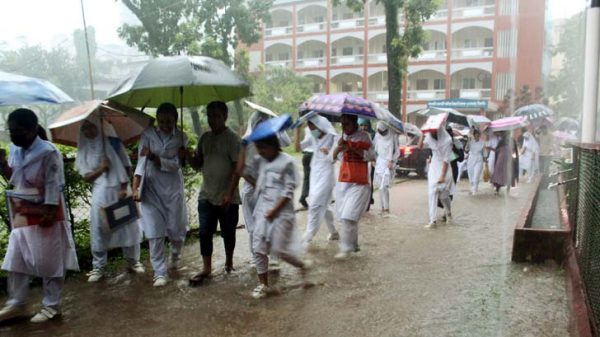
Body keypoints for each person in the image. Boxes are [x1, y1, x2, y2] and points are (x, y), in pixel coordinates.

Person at [0, 109, 79, 323]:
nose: (15, 135)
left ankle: (51, 306)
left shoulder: (48, 152)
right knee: (16, 259)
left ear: (34, 129)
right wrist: (3, 165)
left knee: (49, 261)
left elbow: (54, 184)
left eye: (20, 131)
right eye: (12, 131)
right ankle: (17, 303)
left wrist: (49, 211)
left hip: (46, 212)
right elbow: (16, 179)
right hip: (23, 212)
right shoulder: (16, 150)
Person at [76, 117, 144, 283]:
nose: (88, 131)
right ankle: (98, 266)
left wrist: (123, 187)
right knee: (100, 228)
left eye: (91, 127)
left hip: (120, 190)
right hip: (100, 191)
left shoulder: (112, 142)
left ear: (99, 127)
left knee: (128, 225)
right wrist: (101, 169)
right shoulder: (83, 149)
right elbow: (86, 177)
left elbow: (126, 165)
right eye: (84, 128)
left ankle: (133, 261)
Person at [132, 102, 188, 287]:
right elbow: (141, 161)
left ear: (175, 120)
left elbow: (176, 165)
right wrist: (135, 186)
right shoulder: (148, 135)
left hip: (172, 189)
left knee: (175, 229)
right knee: (154, 232)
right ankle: (160, 272)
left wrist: (157, 158)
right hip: (151, 188)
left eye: (169, 121)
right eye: (162, 121)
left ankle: (175, 251)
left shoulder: (182, 138)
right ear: (157, 120)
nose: (165, 125)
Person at [249, 133, 310, 299]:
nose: (260, 151)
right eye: (258, 147)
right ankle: (263, 285)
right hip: (263, 210)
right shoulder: (260, 161)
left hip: (282, 213)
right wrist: (242, 148)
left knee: (279, 250)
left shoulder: (287, 162)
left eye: (263, 147)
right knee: (258, 248)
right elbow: (242, 171)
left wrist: (275, 210)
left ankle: (302, 265)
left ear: (274, 145)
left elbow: (289, 191)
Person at [187, 101, 241, 285]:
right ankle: (206, 268)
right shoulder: (204, 138)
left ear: (225, 116)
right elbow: (197, 165)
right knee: (204, 232)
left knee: (228, 233)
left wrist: (229, 192)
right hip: (206, 195)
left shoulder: (233, 139)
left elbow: (237, 168)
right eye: (209, 116)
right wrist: (187, 156)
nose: (212, 120)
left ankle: (228, 262)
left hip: (228, 197)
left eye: (216, 116)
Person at [238, 111, 291, 257]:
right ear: (254, 124)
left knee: (270, 223)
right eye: (260, 123)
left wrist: (277, 123)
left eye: (265, 123)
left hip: (268, 190)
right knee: (254, 228)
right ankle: (256, 257)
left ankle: (270, 256)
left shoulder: (270, 140)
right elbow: (242, 171)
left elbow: (287, 142)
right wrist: (258, 185)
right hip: (252, 190)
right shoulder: (247, 141)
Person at [332, 114, 373, 259]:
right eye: (342, 124)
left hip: (359, 183)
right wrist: (339, 148)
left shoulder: (364, 136)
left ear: (355, 123)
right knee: (347, 216)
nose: (344, 127)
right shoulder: (341, 136)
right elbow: (334, 158)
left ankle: (345, 248)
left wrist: (352, 147)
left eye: (347, 124)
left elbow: (371, 156)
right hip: (344, 182)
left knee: (348, 216)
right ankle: (354, 246)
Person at [295, 115, 339, 245]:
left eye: (312, 126)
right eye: (309, 127)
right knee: (324, 205)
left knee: (314, 203)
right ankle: (334, 232)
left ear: (320, 125)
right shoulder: (312, 135)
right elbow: (298, 148)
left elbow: (338, 157)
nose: (311, 129)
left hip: (326, 174)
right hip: (315, 173)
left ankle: (308, 236)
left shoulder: (333, 137)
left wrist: (330, 152)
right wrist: (298, 130)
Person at [418, 124, 453, 228]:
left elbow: (446, 160)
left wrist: (442, 176)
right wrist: (422, 134)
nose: (432, 133)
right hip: (434, 166)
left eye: (434, 131)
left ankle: (448, 212)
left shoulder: (448, 140)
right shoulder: (428, 135)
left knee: (443, 195)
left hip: (445, 167)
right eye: (430, 131)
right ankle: (433, 221)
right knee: (432, 191)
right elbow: (419, 147)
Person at [372, 121, 399, 217]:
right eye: (379, 131)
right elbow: (373, 148)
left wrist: (392, 160)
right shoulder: (377, 136)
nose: (381, 133)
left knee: (384, 186)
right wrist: (373, 159)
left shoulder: (393, 135)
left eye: (382, 131)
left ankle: (387, 208)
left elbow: (397, 151)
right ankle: (382, 208)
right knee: (380, 187)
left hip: (388, 163)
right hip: (379, 162)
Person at [358, 118, 376, 211]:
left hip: (370, 162)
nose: (363, 127)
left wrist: (373, 160)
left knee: (369, 181)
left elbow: (374, 149)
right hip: (359, 162)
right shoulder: (356, 135)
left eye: (365, 125)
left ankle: (369, 200)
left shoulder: (373, 135)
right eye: (361, 125)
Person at [466, 129, 485, 195]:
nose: (477, 136)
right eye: (475, 134)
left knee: (476, 175)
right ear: (473, 135)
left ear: (479, 135)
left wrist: (485, 159)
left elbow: (484, 152)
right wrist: (468, 141)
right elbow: (466, 149)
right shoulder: (471, 142)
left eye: (478, 134)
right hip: (471, 159)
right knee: (471, 174)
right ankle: (473, 187)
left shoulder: (482, 142)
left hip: (479, 159)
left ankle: (474, 190)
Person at [298, 125, 313, 209]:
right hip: (312, 155)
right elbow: (314, 140)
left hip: (306, 154)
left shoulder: (307, 128)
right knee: (315, 178)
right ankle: (304, 196)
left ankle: (303, 197)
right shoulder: (315, 128)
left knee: (307, 178)